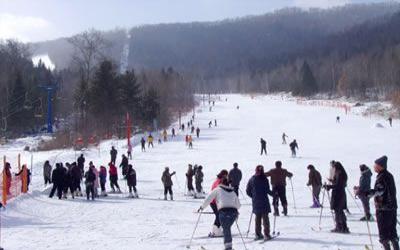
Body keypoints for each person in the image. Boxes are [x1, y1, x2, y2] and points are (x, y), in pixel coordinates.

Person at [199, 177, 240, 250]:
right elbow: (238, 205)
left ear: (221, 183)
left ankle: (228, 247)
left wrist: (202, 207)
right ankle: (228, 245)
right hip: (233, 213)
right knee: (227, 228)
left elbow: (209, 198)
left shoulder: (217, 190)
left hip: (224, 212)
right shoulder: (232, 192)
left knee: (226, 229)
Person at [368, 156, 398, 250]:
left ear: (380, 166)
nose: (374, 167)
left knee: (384, 234)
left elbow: (379, 191)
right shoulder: (389, 175)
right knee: (392, 232)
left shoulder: (382, 177)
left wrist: (366, 193)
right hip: (392, 207)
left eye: (375, 165)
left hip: (384, 209)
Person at [246, 165, 273, 241]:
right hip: (264, 200)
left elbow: (248, 191)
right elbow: (267, 190)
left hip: (256, 201)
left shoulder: (252, 179)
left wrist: (253, 196)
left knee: (258, 218)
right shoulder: (264, 179)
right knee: (265, 218)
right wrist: (274, 195)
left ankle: (258, 234)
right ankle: (266, 234)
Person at [324, 161, 350, 234]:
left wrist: (329, 186)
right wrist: (331, 183)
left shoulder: (340, 174)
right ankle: (340, 226)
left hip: (339, 194)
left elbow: (339, 185)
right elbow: (337, 183)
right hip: (338, 193)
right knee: (338, 211)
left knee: (339, 211)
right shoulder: (340, 173)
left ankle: (342, 227)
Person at [208, 170, 229, 237]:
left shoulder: (218, 180)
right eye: (226, 175)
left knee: (219, 216)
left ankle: (215, 230)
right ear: (224, 175)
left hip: (214, 201)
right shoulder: (219, 181)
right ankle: (216, 231)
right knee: (219, 216)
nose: (227, 177)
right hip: (214, 202)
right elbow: (219, 190)